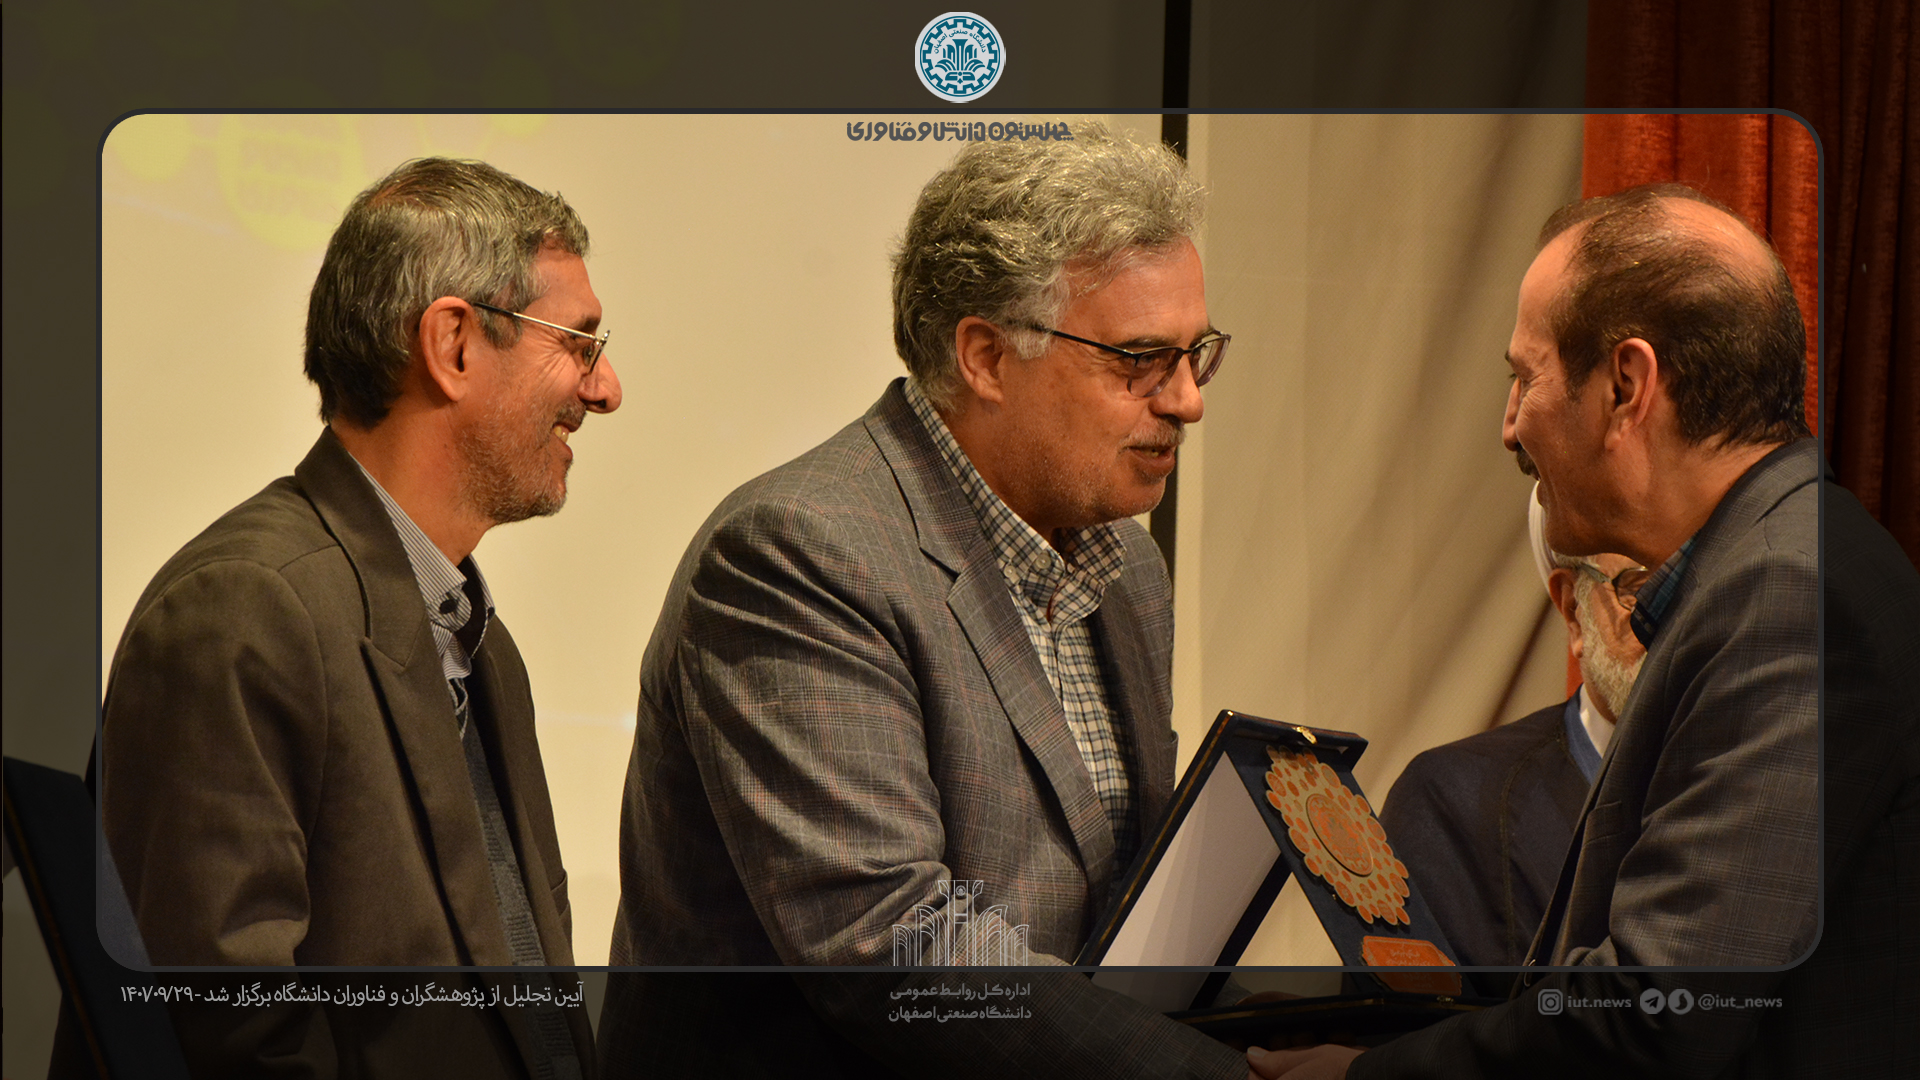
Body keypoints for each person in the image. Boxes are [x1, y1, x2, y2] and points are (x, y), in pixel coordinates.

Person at [597, 125, 1248, 1078]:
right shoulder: (801, 552)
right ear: (985, 356)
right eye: (1141, 360)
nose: (1187, 400)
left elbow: (1114, 920)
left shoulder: (1128, 565)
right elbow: (893, 943)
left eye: (1198, 355)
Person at [1251, 185, 1920, 1079]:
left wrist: (1363, 1078)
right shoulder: (1776, 568)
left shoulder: (1788, 595)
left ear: (1625, 388)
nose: (1509, 426)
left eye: (1523, 377)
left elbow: (1658, 1012)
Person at [96, 158, 619, 1078]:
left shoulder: (481, 643)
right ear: (453, 344)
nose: (606, 387)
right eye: (577, 343)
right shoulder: (243, 608)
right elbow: (231, 1042)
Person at [1379, 486, 1646, 969]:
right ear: (1575, 612)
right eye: (1641, 588)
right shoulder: (1454, 807)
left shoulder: (1774, 775)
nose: (1685, 619)